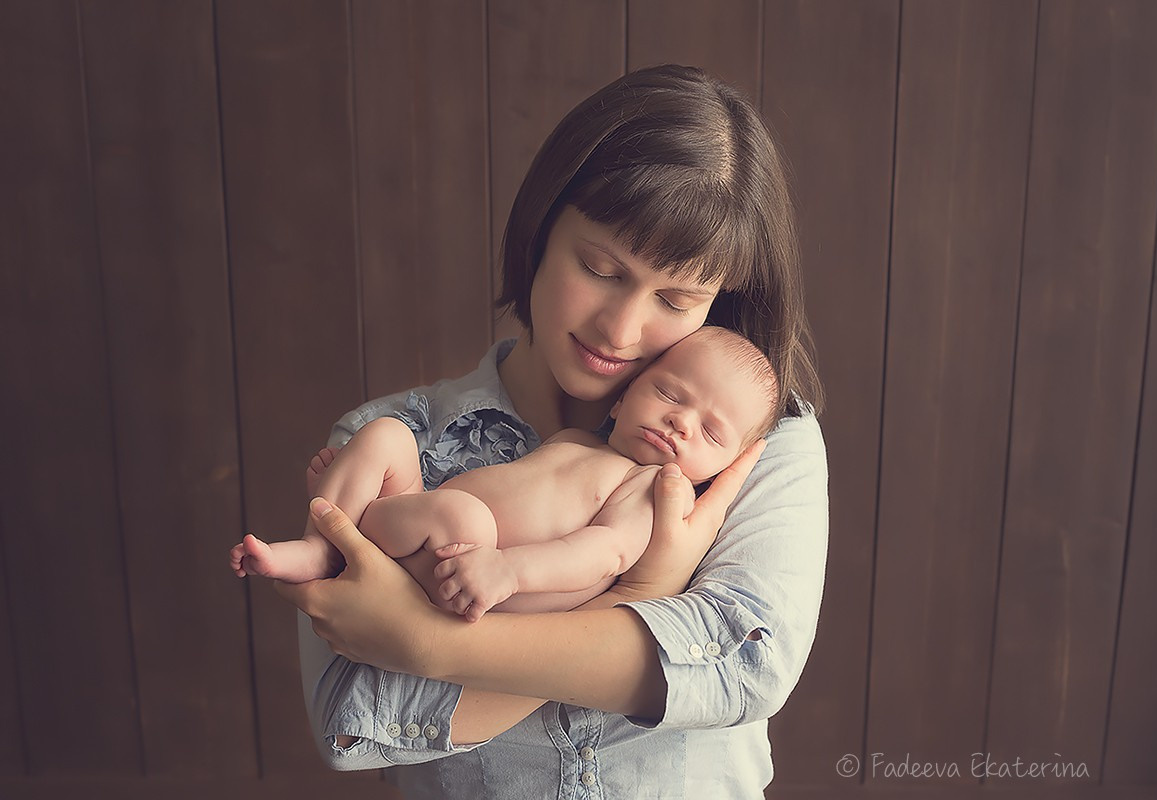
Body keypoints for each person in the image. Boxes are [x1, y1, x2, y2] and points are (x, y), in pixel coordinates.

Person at [275, 64, 829, 798]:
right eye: (601, 268)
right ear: (541, 231)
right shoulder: (396, 443)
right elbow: (355, 726)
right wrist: (652, 592)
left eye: (677, 297)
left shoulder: (752, 448)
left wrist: (423, 641)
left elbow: (745, 667)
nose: (622, 329)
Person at [232, 327, 781, 622]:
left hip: (474, 571)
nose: (680, 423)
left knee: (459, 511)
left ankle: (344, 536)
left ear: (724, 466)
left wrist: (508, 571)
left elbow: (602, 552)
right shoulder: (577, 442)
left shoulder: (652, 490)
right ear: (621, 401)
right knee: (387, 435)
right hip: (438, 529)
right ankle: (328, 533)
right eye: (669, 394)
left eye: (710, 433)